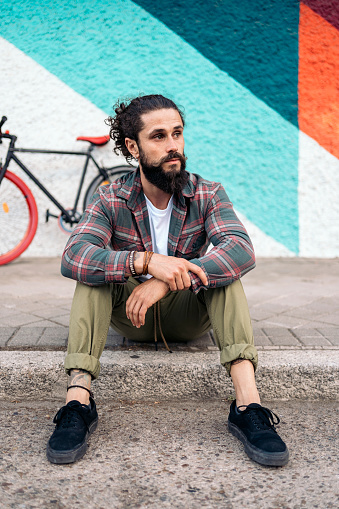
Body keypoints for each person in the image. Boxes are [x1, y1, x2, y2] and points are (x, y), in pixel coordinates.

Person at [46, 94, 289, 467]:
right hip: (133, 315)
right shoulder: (111, 197)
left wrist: (167, 277)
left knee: (224, 274)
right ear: (133, 146)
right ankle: (78, 403)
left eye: (177, 133)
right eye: (158, 136)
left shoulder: (207, 193)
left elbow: (241, 249)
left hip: (188, 316)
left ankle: (247, 405)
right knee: (91, 276)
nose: (173, 145)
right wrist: (144, 262)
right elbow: (74, 255)